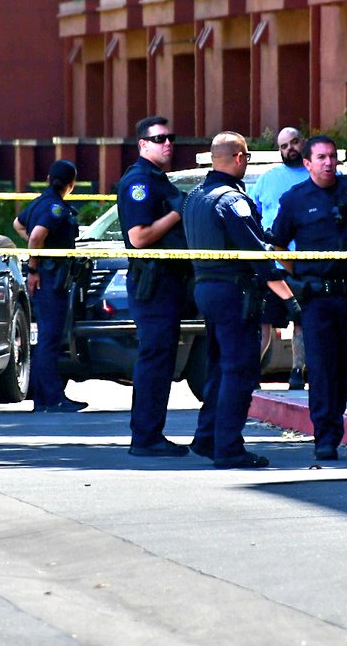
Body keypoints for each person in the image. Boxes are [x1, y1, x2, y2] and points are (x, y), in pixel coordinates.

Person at [183, 132, 301, 469]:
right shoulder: (231, 201)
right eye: (247, 157)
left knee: (220, 366)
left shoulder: (194, 197)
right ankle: (229, 448)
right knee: (239, 370)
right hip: (234, 293)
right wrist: (290, 300)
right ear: (238, 158)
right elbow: (258, 257)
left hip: (206, 289)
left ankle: (208, 437)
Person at [270, 134, 347, 461]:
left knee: (344, 367)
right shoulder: (296, 199)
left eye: (332, 157)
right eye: (321, 158)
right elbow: (278, 244)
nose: (328, 163)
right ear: (307, 163)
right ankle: (325, 436)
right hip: (315, 297)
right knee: (319, 367)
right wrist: (297, 276)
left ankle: (334, 423)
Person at [118, 116, 191, 457]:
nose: (167, 143)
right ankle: (146, 437)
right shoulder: (140, 182)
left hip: (169, 281)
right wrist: (177, 214)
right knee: (154, 360)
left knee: (162, 360)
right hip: (153, 281)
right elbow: (138, 238)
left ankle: (151, 433)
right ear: (143, 144)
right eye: (159, 138)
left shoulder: (159, 179)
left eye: (170, 137)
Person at [15, 159, 88, 413]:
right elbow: (35, 236)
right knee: (50, 339)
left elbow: (18, 224)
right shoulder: (55, 207)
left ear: (48, 178)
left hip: (48, 277)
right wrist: (35, 265)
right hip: (49, 278)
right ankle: (51, 398)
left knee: (48, 338)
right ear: (71, 184)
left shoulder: (40, 202)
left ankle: (44, 398)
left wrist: (38, 248)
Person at [249, 127, 309, 389]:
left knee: (302, 322)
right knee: (263, 323)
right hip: (271, 265)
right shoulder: (268, 179)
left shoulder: (318, 174)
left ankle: (298, 373)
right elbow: (252, 216)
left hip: (305, 264)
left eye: (294, 143)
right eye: (283, 146)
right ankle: (251, 374)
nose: (289, 149)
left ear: (303, 142)